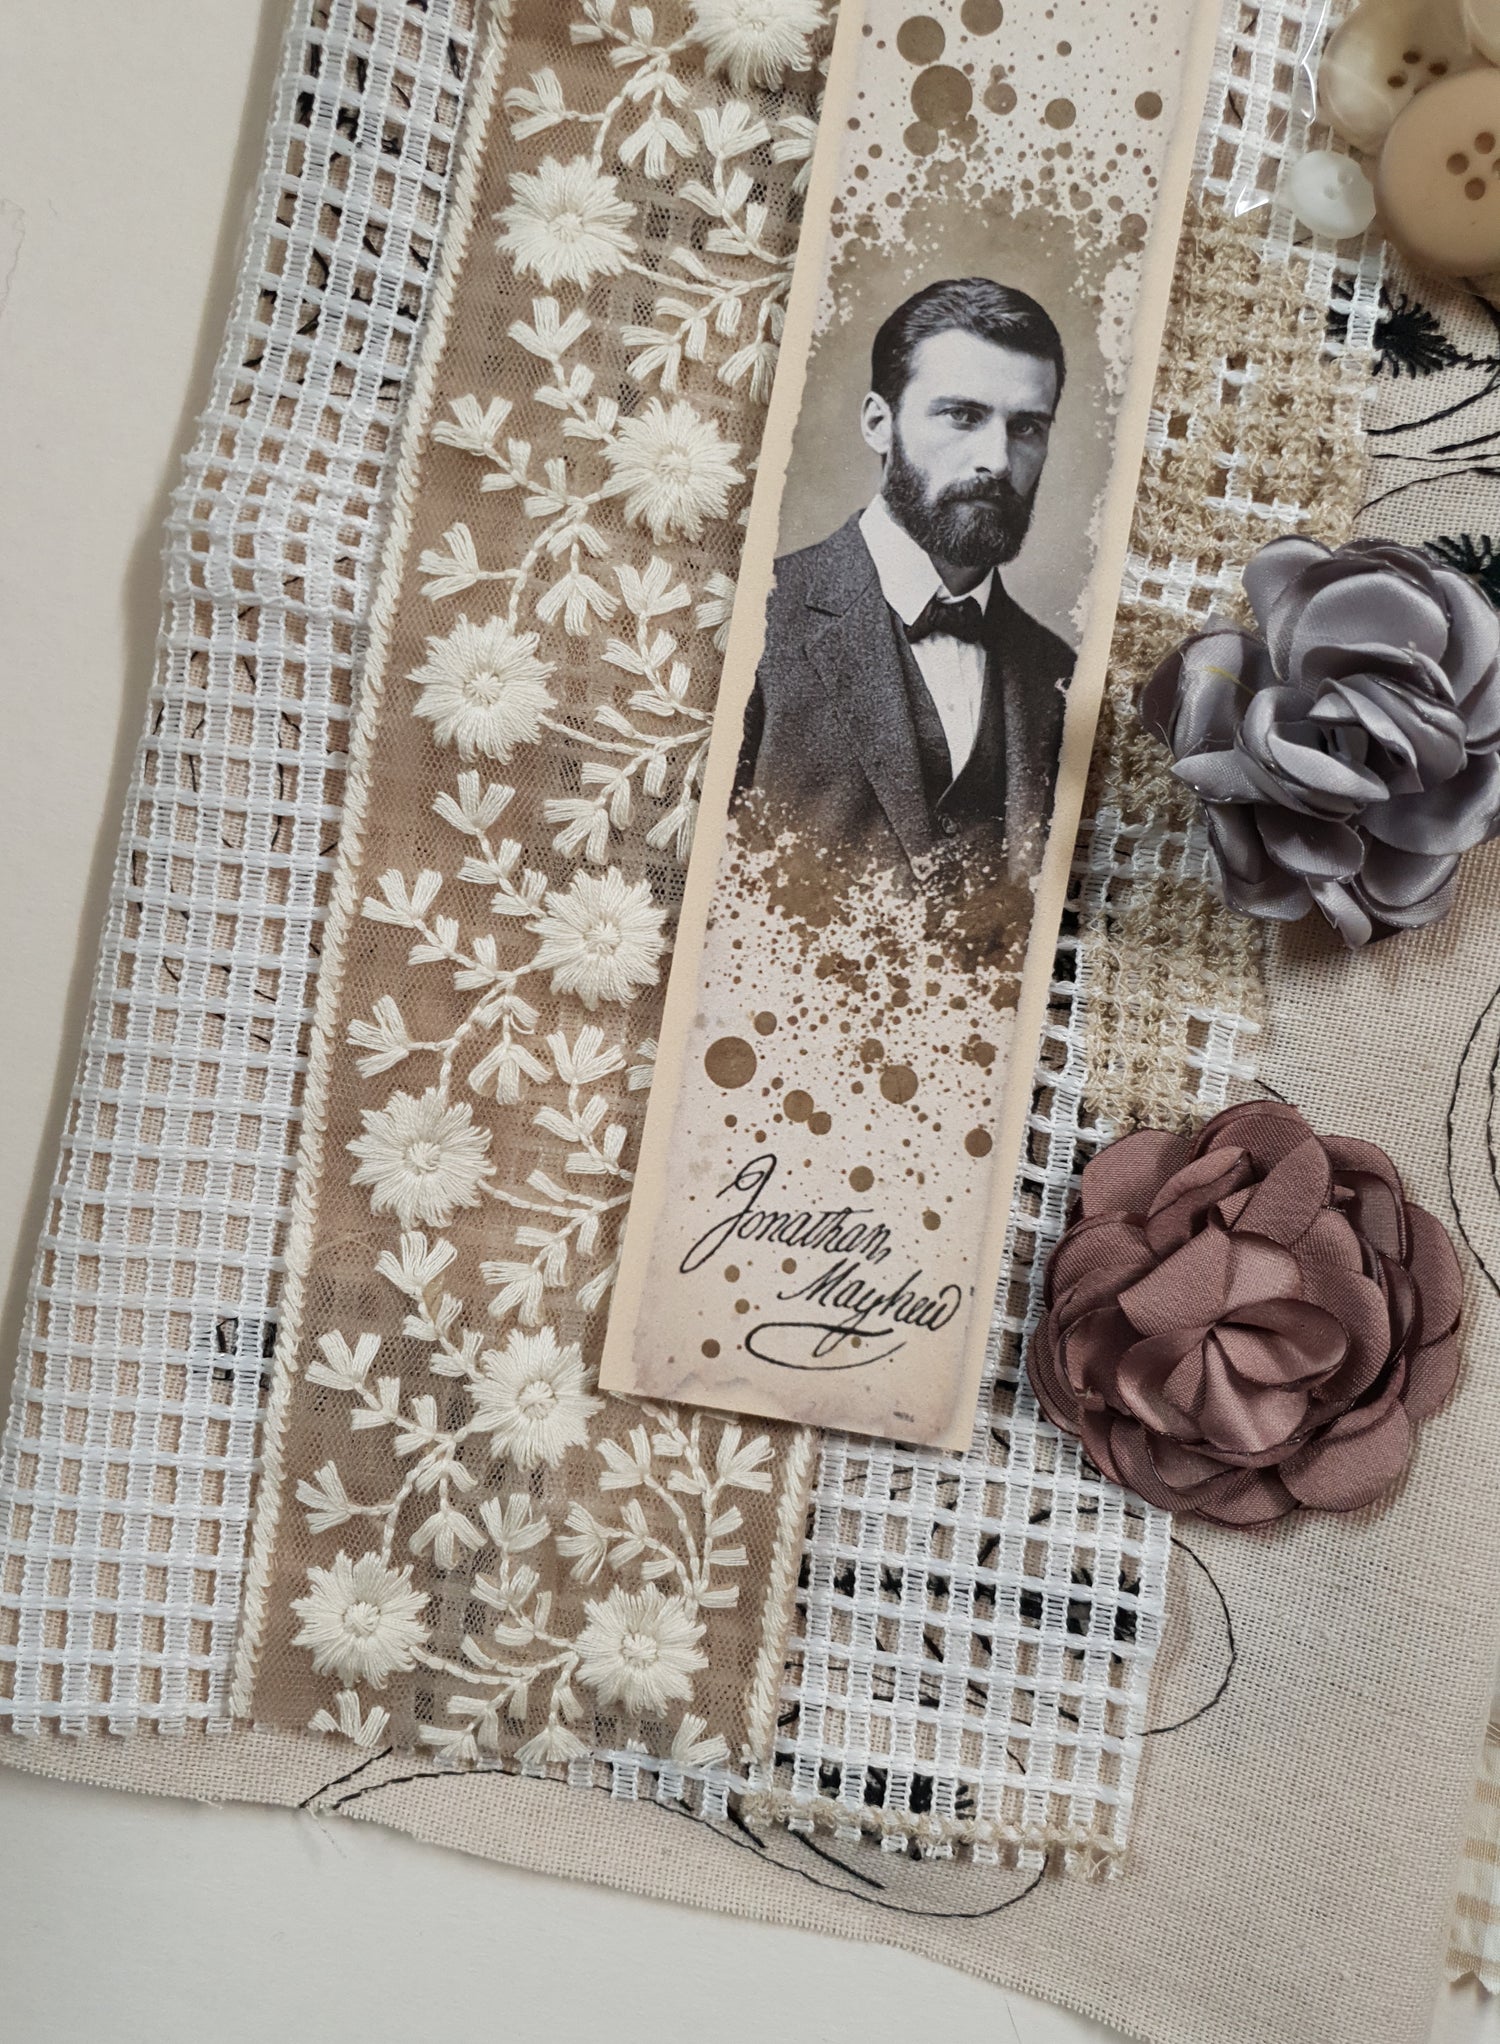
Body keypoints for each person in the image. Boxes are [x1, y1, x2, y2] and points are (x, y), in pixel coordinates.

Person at [733, 277, 1074, 883]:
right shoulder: (759, 613)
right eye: (962, 416)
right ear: (878, 424)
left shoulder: (1058, 673)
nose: (998, 461)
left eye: (1026, 427)